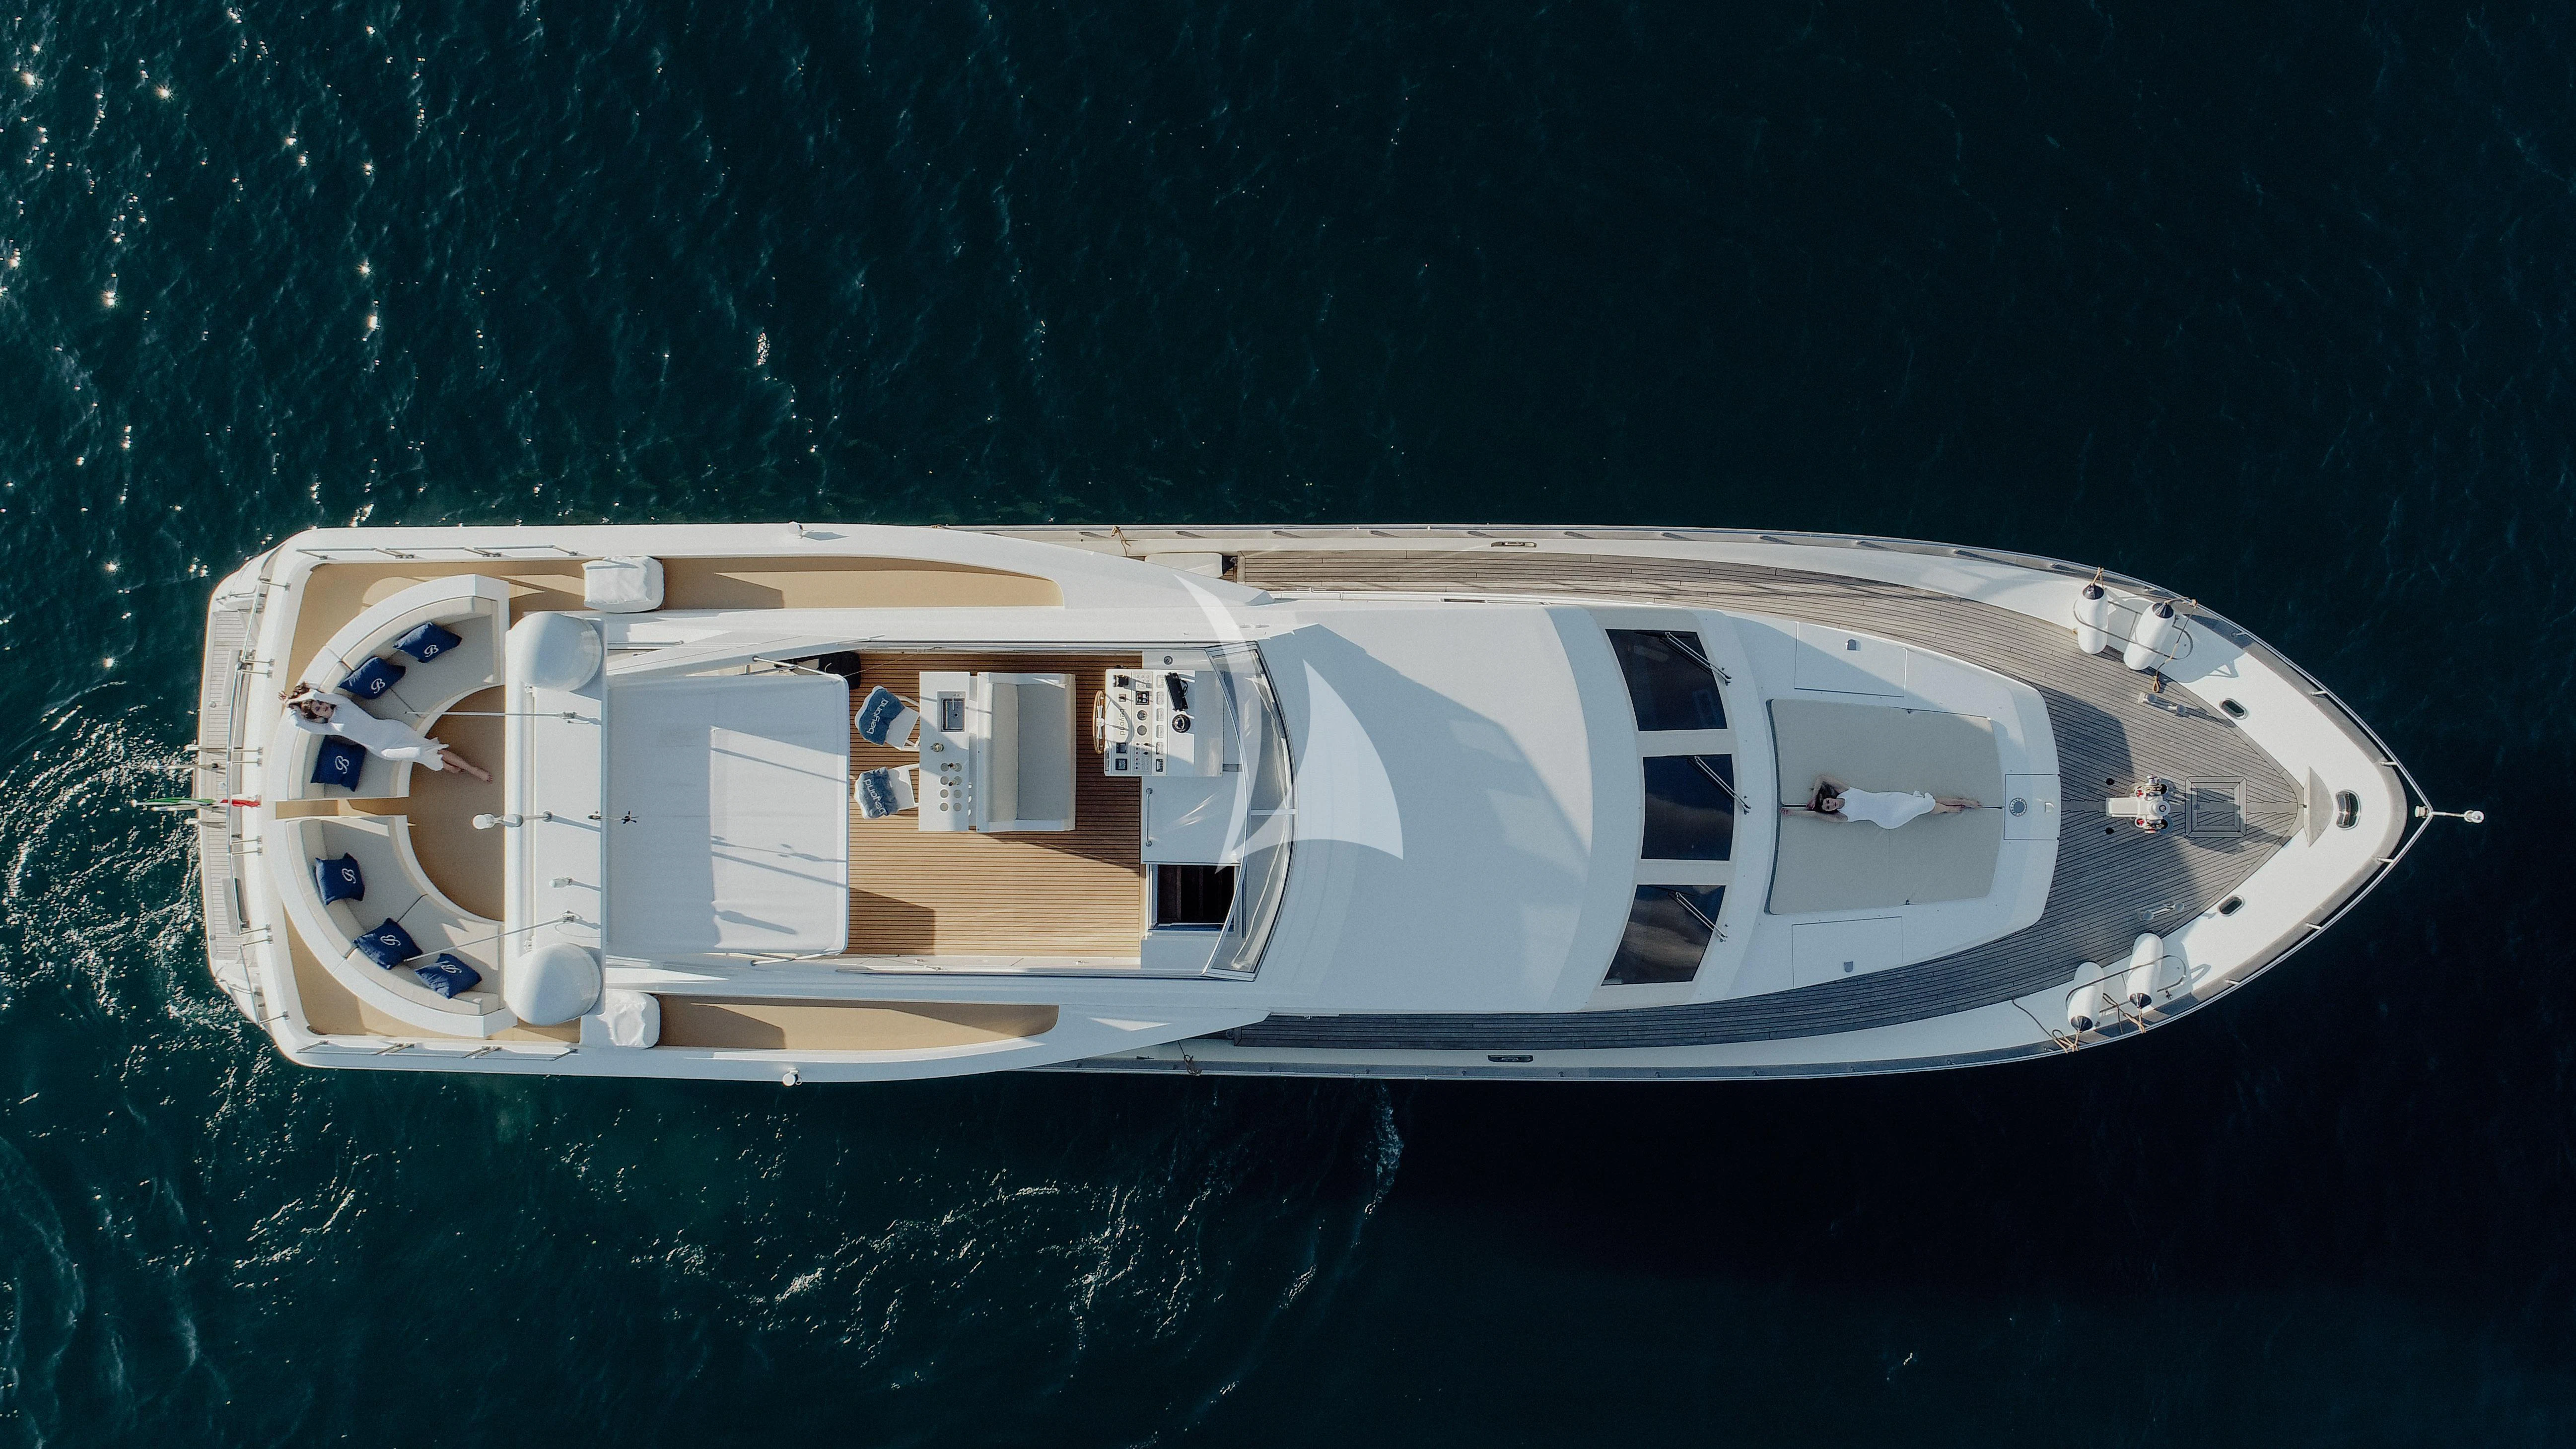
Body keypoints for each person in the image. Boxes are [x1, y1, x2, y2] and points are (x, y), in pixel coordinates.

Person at [282, 682, 492, 782]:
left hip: (393, 731)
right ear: (316, 715)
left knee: (430, 749)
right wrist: (291, 707)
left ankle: (471, 769)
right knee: (421, 753)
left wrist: (296, 699)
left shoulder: (343, 704)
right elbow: (301, 725)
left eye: (322, 703)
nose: (323, 706)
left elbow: (318, 693)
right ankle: (444, 765)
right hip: (383, 749)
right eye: (318, 708)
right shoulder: (328, 728)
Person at [1780, 773, 1979, 829]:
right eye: (1829, 807)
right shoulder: (1842, 817)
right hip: (1889, 818)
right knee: (1923, 804)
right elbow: (1816, 816)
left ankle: (1953, 808)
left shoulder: (1845, 791)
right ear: (1832, 811)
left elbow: (1822, 778)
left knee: (1926, 803)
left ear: (1831, 798)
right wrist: (1794, 813)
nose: (1831, 805)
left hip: (1890, 800)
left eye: (1829, 802)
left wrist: (1815, 797)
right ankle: (1960, 805)